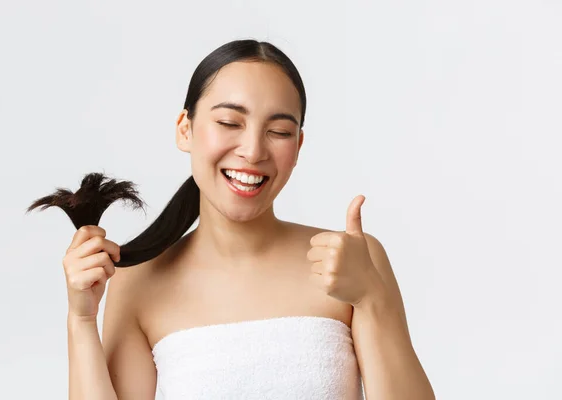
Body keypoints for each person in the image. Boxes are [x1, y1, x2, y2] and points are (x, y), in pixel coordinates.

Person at [27, 39, 435, 399]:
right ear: (185, 130)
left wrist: (370, 297)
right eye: (228, 123)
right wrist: (81, 319)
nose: (253, 150)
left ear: (299, 145)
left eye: (278, 130)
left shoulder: (352, 261)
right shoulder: (140, 282)